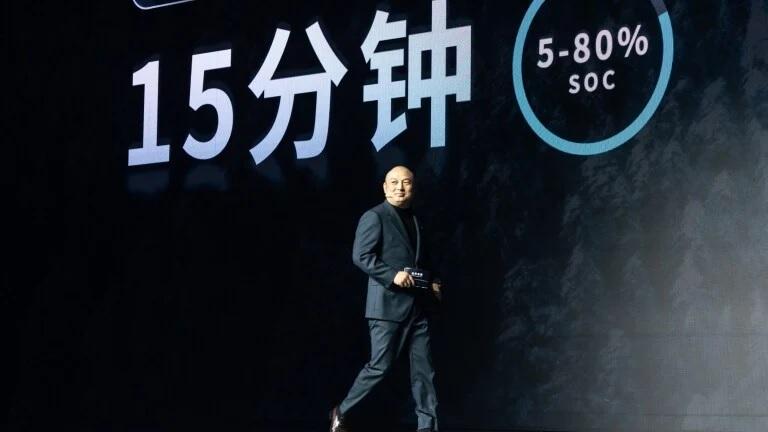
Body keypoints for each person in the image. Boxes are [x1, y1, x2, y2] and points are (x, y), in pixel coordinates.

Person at [330, 165, 442, 432]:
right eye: (393, 182)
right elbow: (361, 256)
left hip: (418, 307)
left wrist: (435, 281)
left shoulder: (417, 219)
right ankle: (341, 412)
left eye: (406, 182)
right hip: (386, 307)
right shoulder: (374, 217)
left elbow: (423, 260)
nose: (399, 188)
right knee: (380, 366)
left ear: (413, 187)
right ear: (384, 187)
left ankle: (427, 427)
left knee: (424, 372)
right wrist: (393, 276)